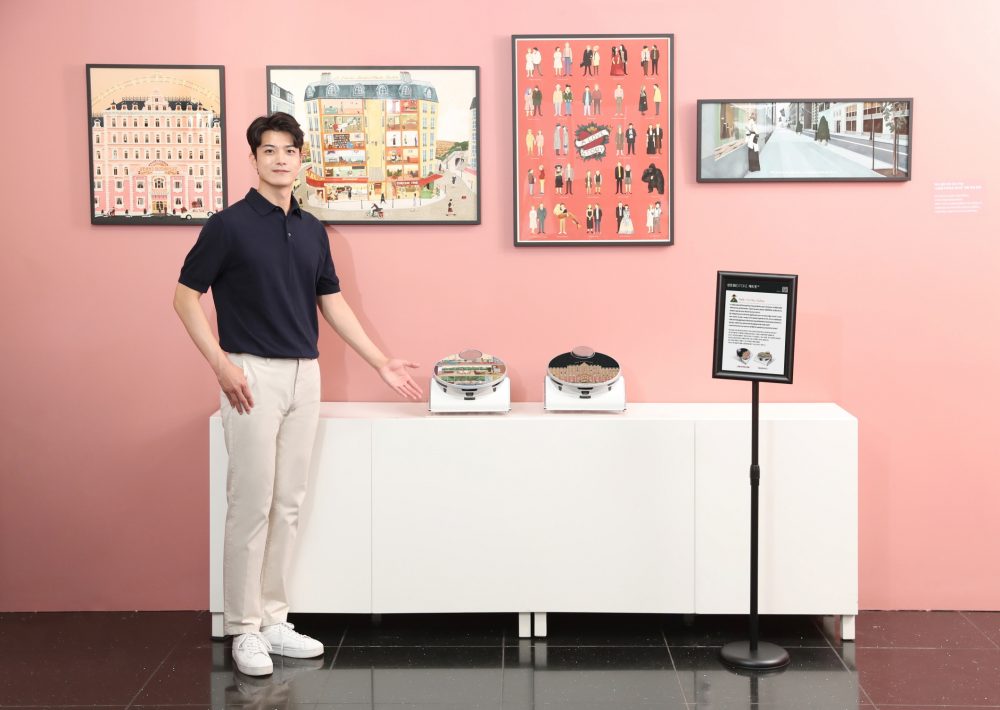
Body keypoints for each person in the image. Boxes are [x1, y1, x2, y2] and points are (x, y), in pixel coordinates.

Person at [173, 113, 421, 678]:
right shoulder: (228, 226)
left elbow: (331, 302)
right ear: (254, 159)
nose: (280, 159)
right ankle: (243, 628)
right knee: (251, 503)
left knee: (287, 503)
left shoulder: (311, 230)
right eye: (269, 150)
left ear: (301, 159)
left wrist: (380, 361)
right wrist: (221, 365)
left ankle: (273, 620)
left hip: (305, 376)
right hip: (250, 375)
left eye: (289, 150)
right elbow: (184, 298)